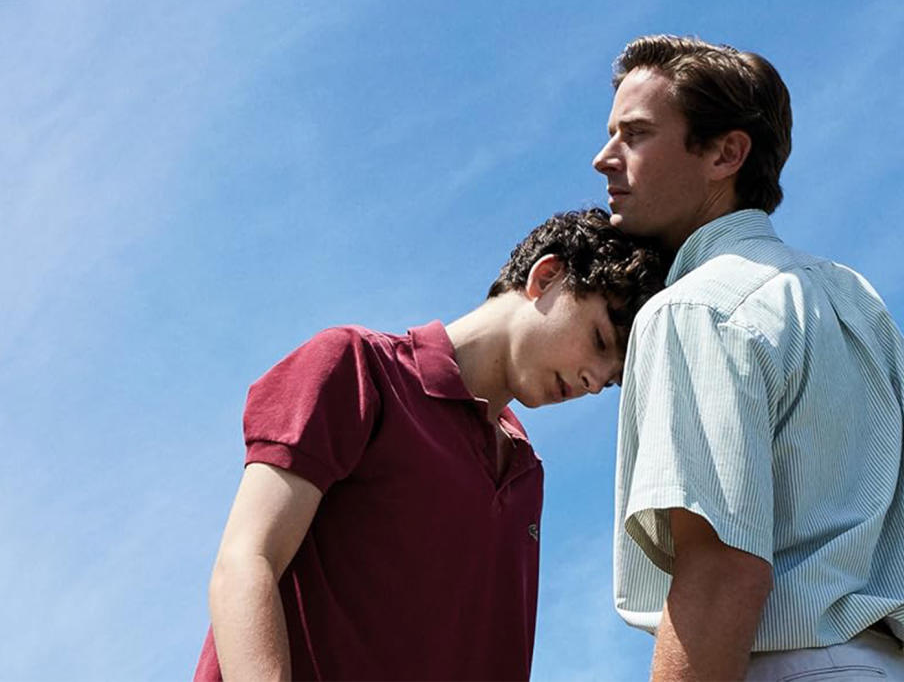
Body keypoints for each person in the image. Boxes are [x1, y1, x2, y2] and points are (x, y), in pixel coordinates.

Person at [593, 35, 904, 681]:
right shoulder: (864, 308)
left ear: (726, 152)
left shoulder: (695, 308)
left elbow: (722, 568)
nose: (604, 158)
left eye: (635, 134)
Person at [192, 208, 666, 681]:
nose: (593, 379)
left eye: (611, 381)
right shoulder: (358, 368)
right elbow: (244, 564)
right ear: (547, 276)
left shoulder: (526, 475)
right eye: (600, 340)